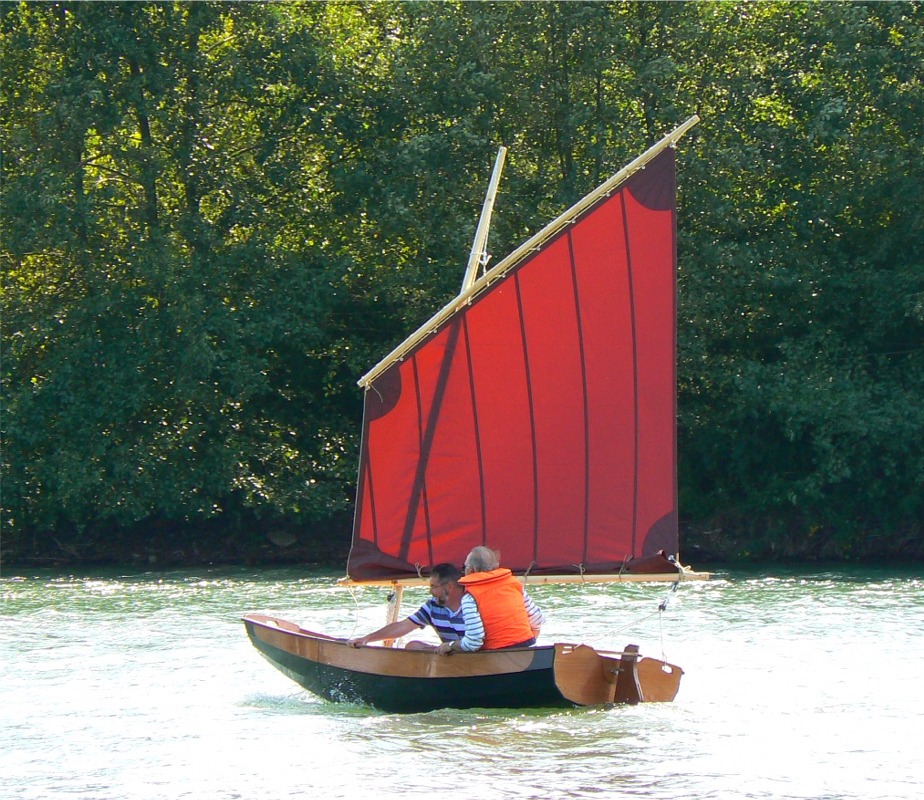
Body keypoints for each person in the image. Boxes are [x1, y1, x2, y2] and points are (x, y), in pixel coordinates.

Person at [437, 546, 544, 655]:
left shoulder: (470, 597)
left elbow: (474, 642)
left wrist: (450, 646)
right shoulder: (514, 584)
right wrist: (529, 643)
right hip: (529, 650)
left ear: (471, 570)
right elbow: (537, 619)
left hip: (497, 656)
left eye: (464, 567)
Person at [347, 563, 464, 650]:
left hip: (475, 657)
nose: (430, 591)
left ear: (448, 587)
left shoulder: (472, 603)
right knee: (413, 646)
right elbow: (403, 626)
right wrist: (366, 639)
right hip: (449, 654)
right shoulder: (433, 605)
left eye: (434, 586)